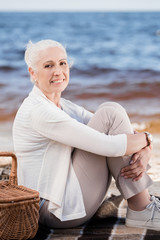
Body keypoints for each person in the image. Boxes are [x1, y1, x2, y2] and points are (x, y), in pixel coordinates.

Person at [13, 39, 160, 230]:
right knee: (110, 112)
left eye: (62, 63)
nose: (58, 71)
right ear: (33, 73)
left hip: (67, 195)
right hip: (54, 210)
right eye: (48, 65)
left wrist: (146, 149)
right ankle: (142, 209)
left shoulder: (63, 106)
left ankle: (143, 205)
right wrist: (148, 139)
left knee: (110, 111)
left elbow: (116, 129)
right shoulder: (39, 111)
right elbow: (110, 145)